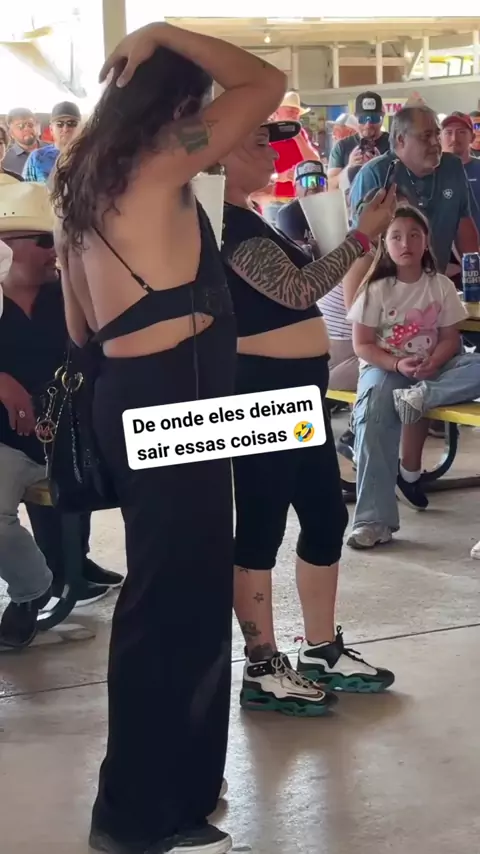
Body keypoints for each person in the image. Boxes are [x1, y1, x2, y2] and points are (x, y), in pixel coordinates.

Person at [51, 19, 287, 854]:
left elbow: (78, 326)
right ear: (178, 103)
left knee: (177, 595)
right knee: (171, 604)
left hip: (130, 397)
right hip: (177, 400)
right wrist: (162, 31)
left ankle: (177, 793)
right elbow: (266, 84)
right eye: (198, 101)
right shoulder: (165, 156)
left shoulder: (79, 182)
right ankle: (134, 812)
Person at [220, 120, 396, 716]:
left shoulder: (254, 216)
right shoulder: (223, 225)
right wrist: (361, 237)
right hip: (260, 394)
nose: (269, 153)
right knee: (263, 521)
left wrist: (351, 235)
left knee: (323, 512)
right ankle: (262, 663)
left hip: (297, 392)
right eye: (255, 142)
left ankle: (320, 647)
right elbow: (295, 291)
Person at [0, 179, 115, 649]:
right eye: (45, 241)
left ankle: (70, 568)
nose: (56, 251)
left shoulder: (69, 295)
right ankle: (32, 589)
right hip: (8, 443)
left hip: (69, 438)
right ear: (6, 247)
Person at [346, 205, 480, 549]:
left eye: (414, 235)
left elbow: (450, 338)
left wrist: (434, 360)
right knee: (373, 412)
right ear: (385, 244)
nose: (405, 243)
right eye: (396, 237)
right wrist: (396, 364)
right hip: (385, 367)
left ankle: (424, 395)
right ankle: (373, 521)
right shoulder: (375, 289)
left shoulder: (440, 285)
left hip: (435, 370)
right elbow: (362, 345)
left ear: (426, 241)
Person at [349, 105, 480, 275]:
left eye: (437, 134)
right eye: (426, 136)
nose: (435, 142)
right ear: (401, 140)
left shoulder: (452, 166)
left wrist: (474, 276)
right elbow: (360, 245)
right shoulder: (375, 174)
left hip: (435, 280)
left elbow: (464, 227)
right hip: (387, 284)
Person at [276, 162, 358, 391]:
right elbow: (301, 259)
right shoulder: (291, 213)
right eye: (307, 181)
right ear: (296, 188)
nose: (314, 186)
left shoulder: (333, 210)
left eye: (319, 181)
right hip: (306, 294)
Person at [264, 91, 320, 225]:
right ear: (276, 111)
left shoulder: (301, 134)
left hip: (301, 201)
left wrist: (298, 138)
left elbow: (315, 162)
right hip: (274, 202)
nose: (294, 116)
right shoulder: (266, 134)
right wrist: (280, 177)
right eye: (290, 111)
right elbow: (256, 171)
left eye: (297, 113)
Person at [328, 91, 390, 191]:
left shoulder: (394, 144)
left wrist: (379, 166)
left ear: (382, 118)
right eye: (363, 118)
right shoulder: (342, 147)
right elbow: (330, 186)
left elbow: (406, 182)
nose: (368, 124)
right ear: (355, 117)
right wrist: (349, 168)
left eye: (374, 118)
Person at [440, 112, 480, 236]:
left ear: (472, 137)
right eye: (448, 133)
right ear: (439, 137)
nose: (454, 138)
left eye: (461, 132)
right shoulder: (429, 172)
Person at [23, 102, 82, 185]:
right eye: (59, 124)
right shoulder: (37, 158)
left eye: (71, 123)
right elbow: (26, 190)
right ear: (51, 129)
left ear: (81, 127)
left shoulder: (91, 156)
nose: (65, 129)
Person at [2, 108, 47, 178]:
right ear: (11, 133)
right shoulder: (4, 159)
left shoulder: (55, 150)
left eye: (30, 125)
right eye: (20, 126)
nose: (27, 129)